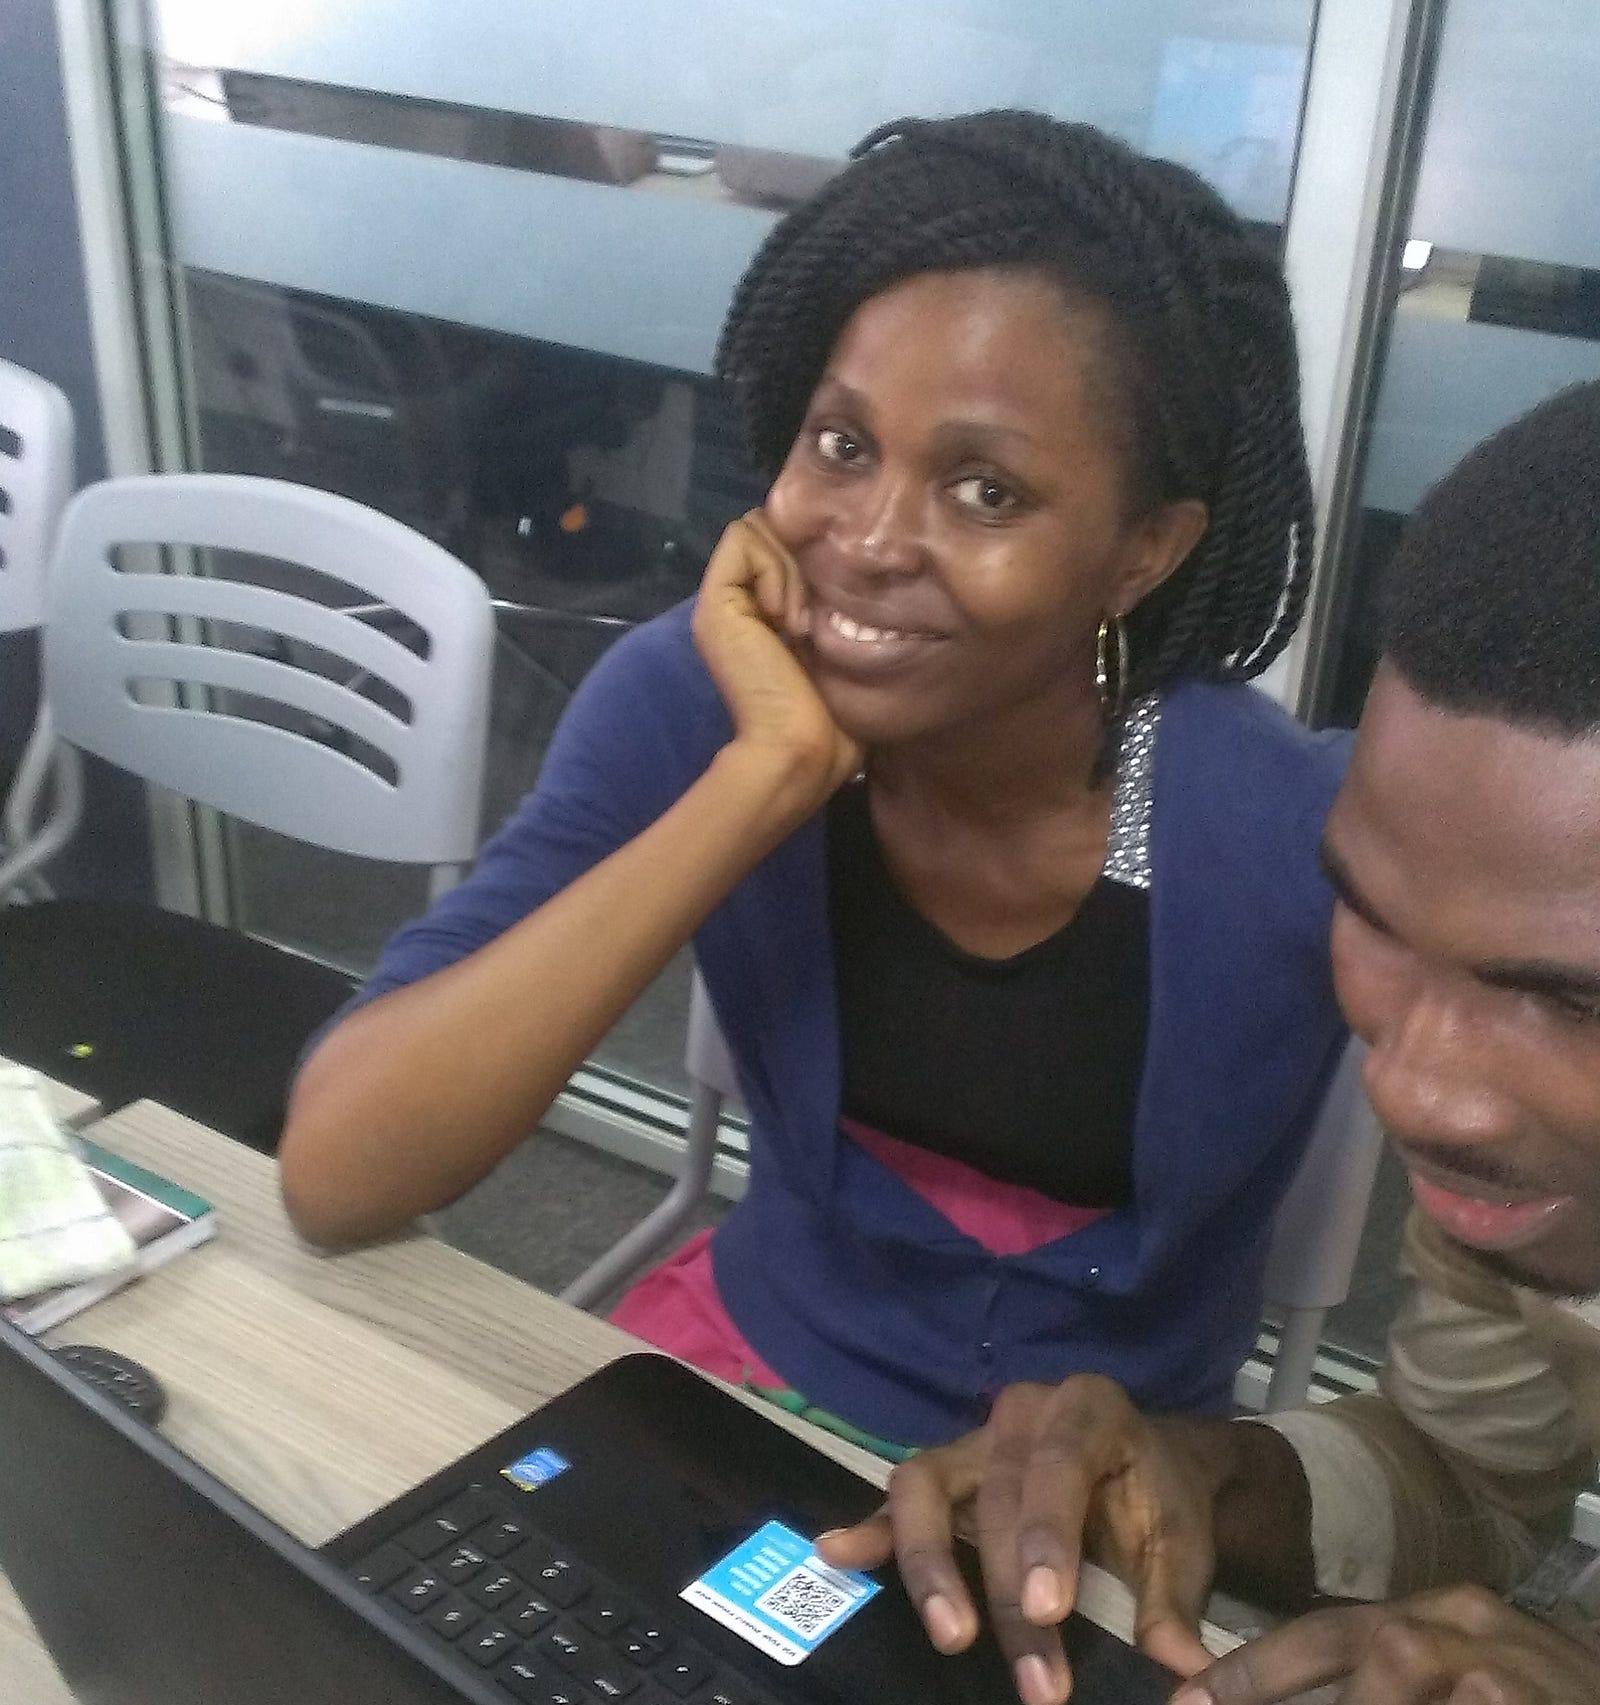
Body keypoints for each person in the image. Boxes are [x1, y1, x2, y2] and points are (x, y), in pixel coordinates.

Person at [278, 111, 1348, 1454]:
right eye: (842, 445)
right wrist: (761, 781)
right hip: (752, 1378)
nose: (873, 541)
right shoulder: (697, 697)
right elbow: (341, 1170)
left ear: (1144, 551)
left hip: (1095, 1479)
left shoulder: (1284, 829)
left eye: (987, 492)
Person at [819, 381, 1600, 1705]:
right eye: (1375, 918)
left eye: (1576, 1003)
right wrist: (1202, 1472)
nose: (1415, 1089)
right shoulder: (1537, 1172)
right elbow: (1470, 1476)